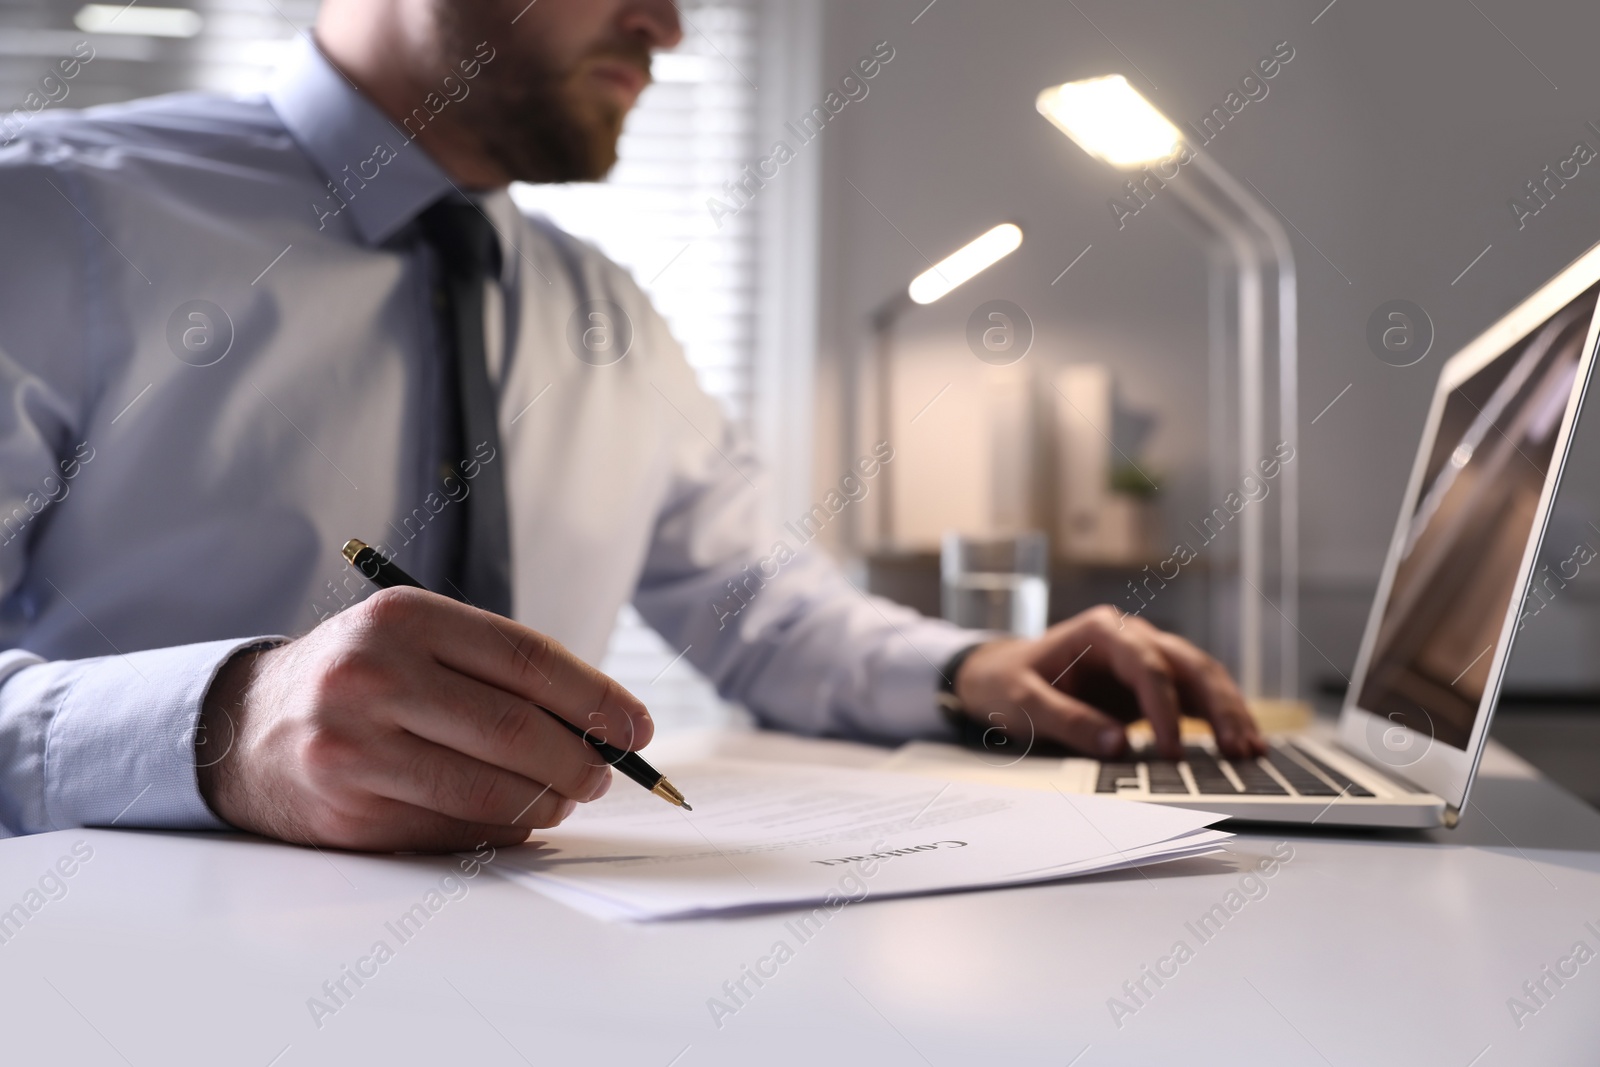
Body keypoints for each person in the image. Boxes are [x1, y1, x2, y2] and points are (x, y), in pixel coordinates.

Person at [0, 0, 1262, 850]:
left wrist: (968, 672)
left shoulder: (610, 314)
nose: (668, 20)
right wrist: (219, 728)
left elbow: (767, 611)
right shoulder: (43, 216)